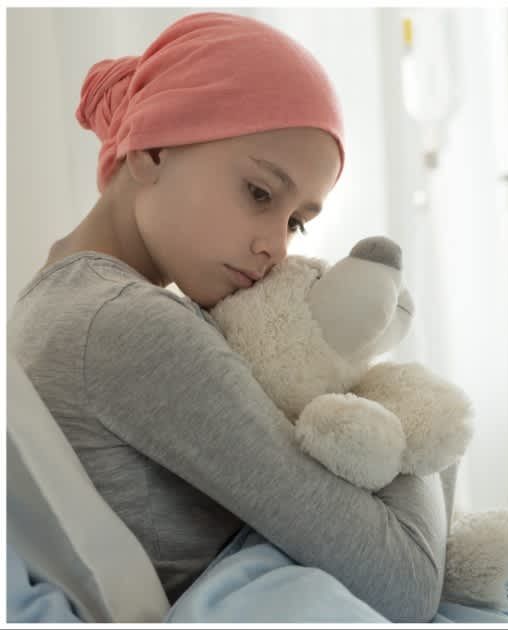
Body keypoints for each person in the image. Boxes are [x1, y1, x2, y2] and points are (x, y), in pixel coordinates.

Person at [8, 12, 452, 621]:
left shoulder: (53, 301)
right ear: (152, 147)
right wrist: (401, 403)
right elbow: (406, 582)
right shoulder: (126, 326)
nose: (278, 246)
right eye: (260, 193)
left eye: (297, 222)